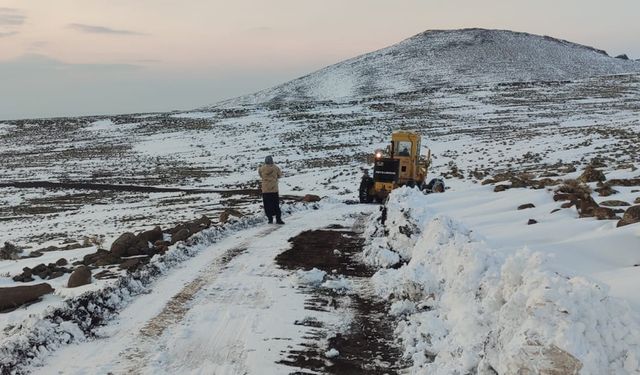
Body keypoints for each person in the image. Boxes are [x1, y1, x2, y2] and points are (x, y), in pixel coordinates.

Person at [258, 155, 284, 224]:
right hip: (274, 190)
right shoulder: (276, 168)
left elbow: (260, 175)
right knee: (276, 205)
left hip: (265, 190)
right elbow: (280, 175)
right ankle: (278, 219)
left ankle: (270, 219)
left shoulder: (261, 168)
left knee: (267, 205)